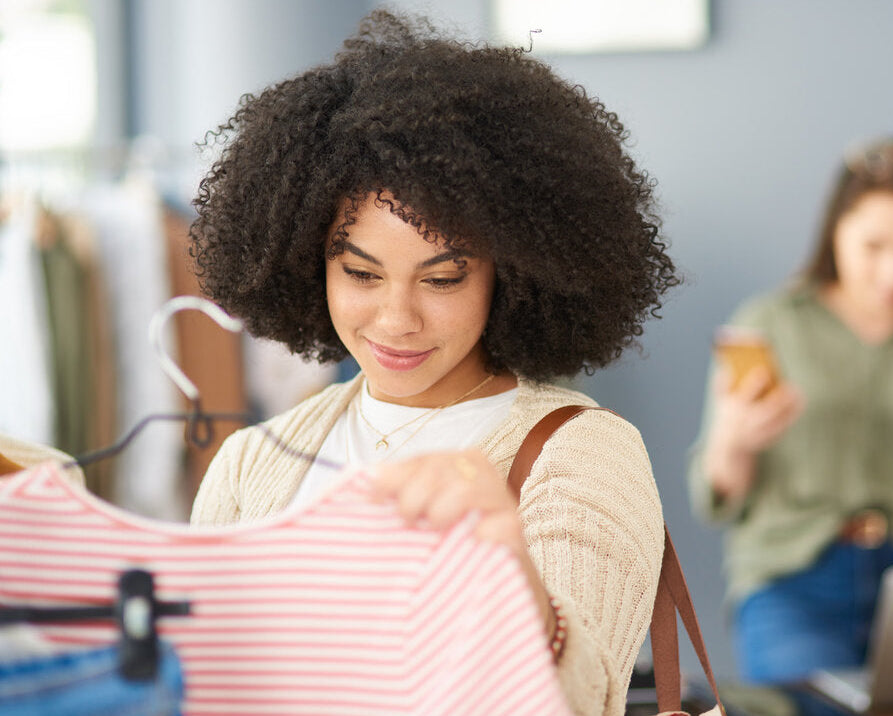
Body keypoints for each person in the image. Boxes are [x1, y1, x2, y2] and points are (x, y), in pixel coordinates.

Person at [187, 10, 687, 716]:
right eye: (361, 274)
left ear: (511, 274)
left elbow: (586, 698)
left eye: (442, 279)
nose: (396, 319)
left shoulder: (583, 454)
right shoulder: (248, 464)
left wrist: (513, 570)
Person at [687, 137, 893, 715]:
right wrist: (735, 442)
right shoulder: (771, 323)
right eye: (875, 246)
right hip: (794, 579)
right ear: (836, 231)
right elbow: (716, 499)